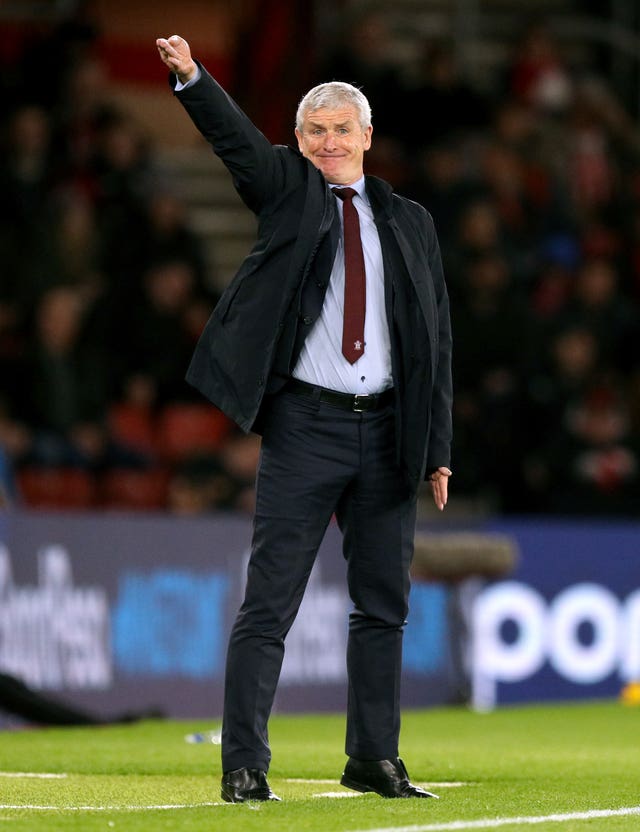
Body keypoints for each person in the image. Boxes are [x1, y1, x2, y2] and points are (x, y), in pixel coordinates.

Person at [156, 34, 453, 804]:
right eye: (314, 131)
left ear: (367, 137)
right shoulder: (290, 192)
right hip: (305, 427)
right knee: (269, 603)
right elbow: (237, 145)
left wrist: (437, 448)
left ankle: (374, 760)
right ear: (298, 139)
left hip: (388, 434)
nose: (329, 142)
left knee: (383, 606)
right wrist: (193, 78)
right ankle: (244, 765)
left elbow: (435, 342)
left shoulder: (412, 222)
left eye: (341, 129)